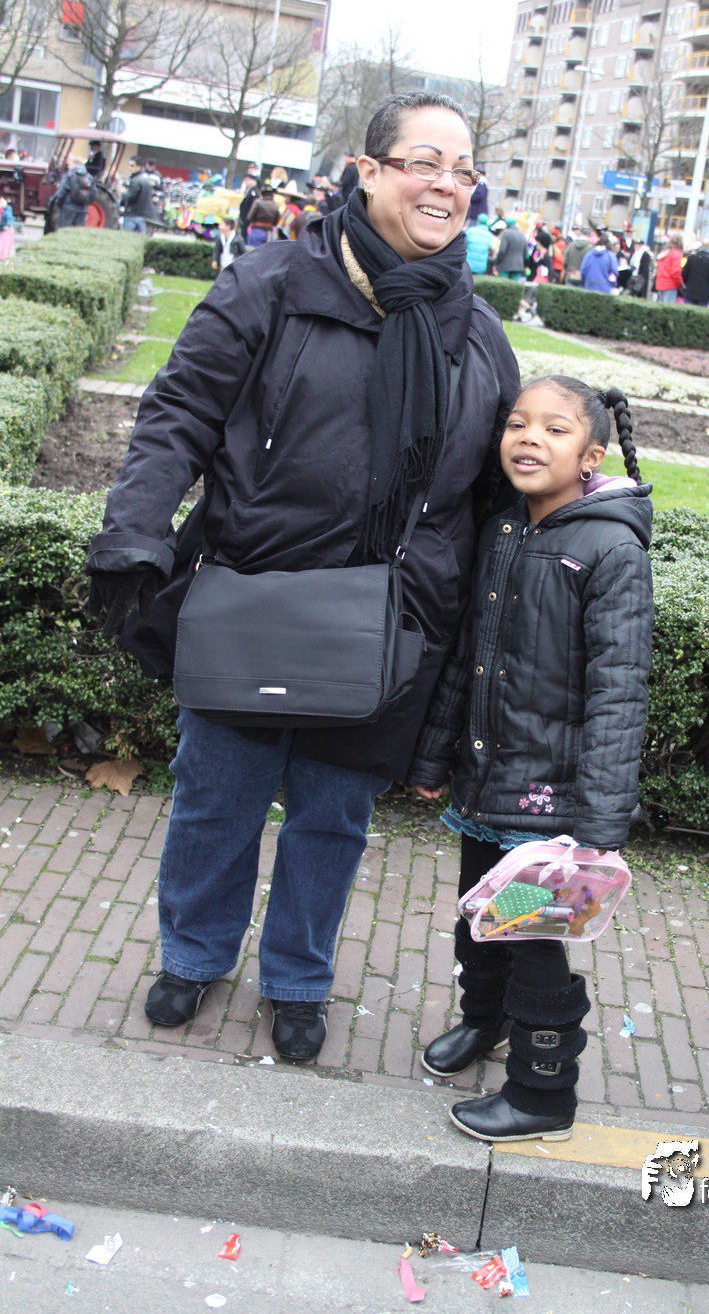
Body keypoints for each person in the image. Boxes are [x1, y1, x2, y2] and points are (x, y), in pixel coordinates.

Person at [83, 91, 520, 1064]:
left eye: (462, 169)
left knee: (331, 817)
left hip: (386, 623)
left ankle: (296, 976)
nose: (446, 184)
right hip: (253, 598)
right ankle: (194, 953)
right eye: (424, 161)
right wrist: (133, 530)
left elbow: (496, 491)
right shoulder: (271, 284)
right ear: (367, 171)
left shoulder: (478, 334)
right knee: (217, 801)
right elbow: (180, 410)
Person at [409, 375, 652, 1142]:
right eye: (518, 423)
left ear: (591, 455)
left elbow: (619, 690)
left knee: (531, 940)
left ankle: (543, 1092)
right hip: (487, 782)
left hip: (550, 805)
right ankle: (484, 1020)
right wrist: (434, 755)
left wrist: (600, 819)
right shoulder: (504, 529)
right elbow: (468, 656)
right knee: (477, 920)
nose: (529, 438)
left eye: (553, 428)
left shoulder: (612, 548)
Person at [52, 158, 96, 228]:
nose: (69, 166)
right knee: (78, 231)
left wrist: (59, 204)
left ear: (75, 164)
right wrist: (85, 204)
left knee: (64, 230)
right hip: (82, 209)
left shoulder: (70, 175)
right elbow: (94, 194)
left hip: (68, 208)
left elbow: (61, 192)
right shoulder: (89, 177)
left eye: (70, 164)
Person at [120, 159, 156, 234]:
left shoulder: (135, 180)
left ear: (138, 167)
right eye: (129, 165)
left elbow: (131, 197)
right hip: (142, 216)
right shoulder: (145, 179)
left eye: (132, 166)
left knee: (127, 236)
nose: (130, 168)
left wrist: (123, 193)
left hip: (132, 215)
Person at [681, 238, 709, 307]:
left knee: (688, 311)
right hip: (704, 295)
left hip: (690, 291)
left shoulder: (691, 258)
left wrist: (688, 284)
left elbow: (684, 274)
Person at [654, 233, 683, 302]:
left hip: (660, 283)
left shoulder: (664, 252)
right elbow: (675, 272)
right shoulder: (677, 253)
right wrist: (680, 283)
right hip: (670, 284)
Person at [237, 171, 260, 239]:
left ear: (253, 180)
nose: (246, 182)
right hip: (244, 218)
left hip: (247, 219)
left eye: (248, 180)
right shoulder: (249, 191)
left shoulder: (254, 192)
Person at [0, 192, 14, 259]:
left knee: (3, 243)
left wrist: (7, 225)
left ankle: (3, 256)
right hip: (1, 229)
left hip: (6, 230)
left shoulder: (6, 211)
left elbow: (9, 219)